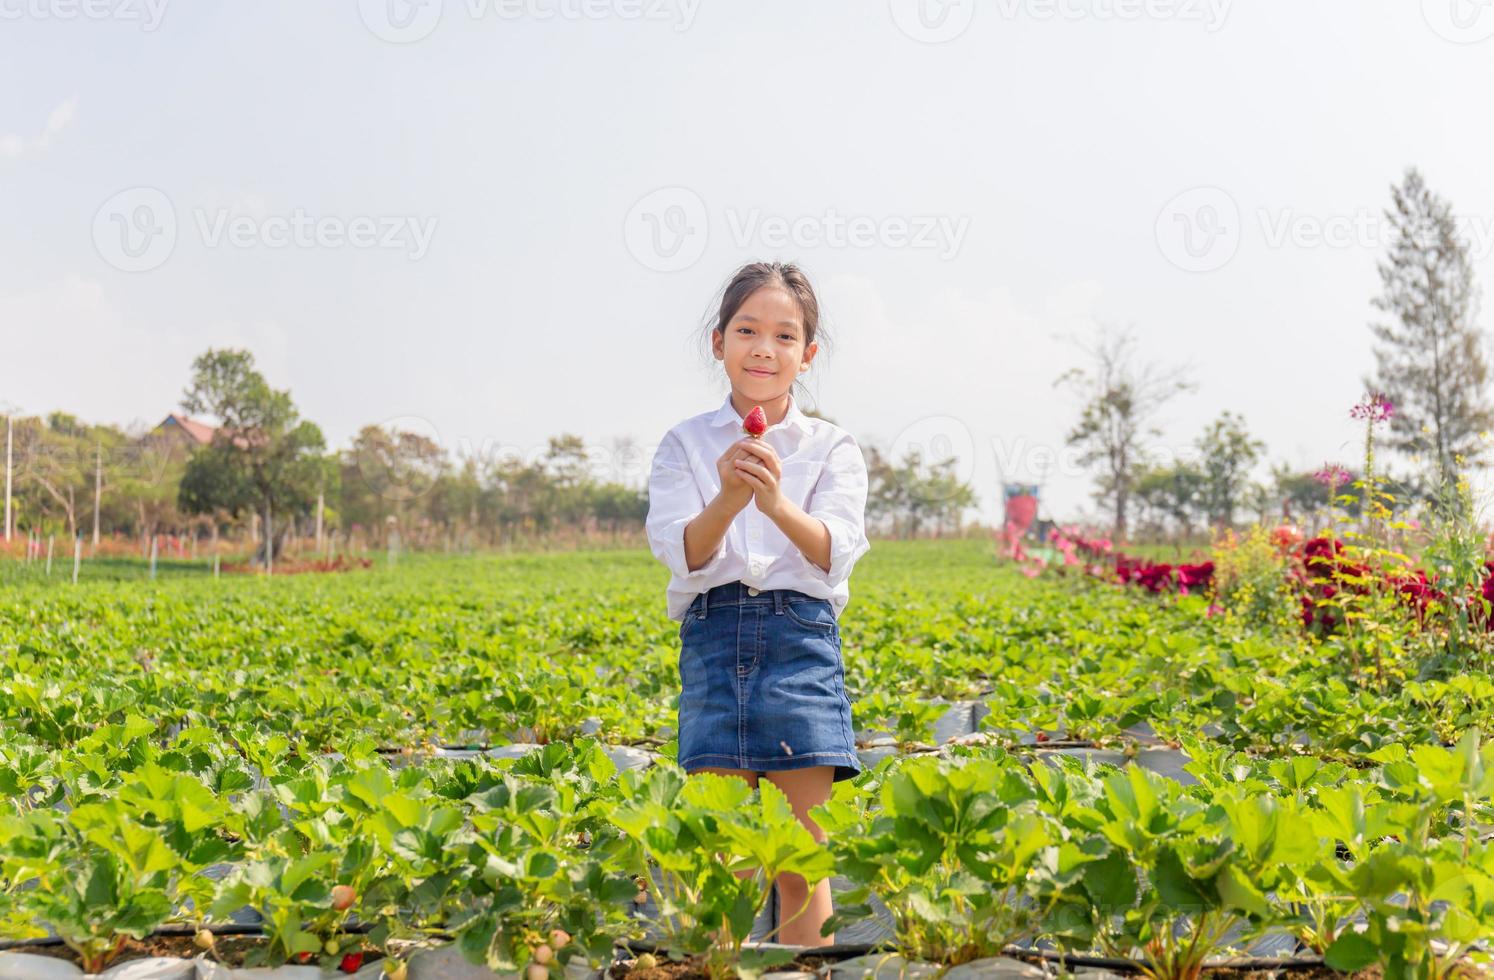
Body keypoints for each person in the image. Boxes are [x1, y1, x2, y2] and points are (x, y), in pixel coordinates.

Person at [644, 260, 872, 947]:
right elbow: (680, 550)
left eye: (783, 335)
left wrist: (770, 502)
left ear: (808, 354)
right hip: (714, 633)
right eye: (747, 330)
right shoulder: (685, 443)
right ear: (719, 342)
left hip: (800, 639)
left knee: (802, 854)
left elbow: (836, 550)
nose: (763, 349)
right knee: (730, 852)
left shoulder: (833, 446)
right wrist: (728, 499)